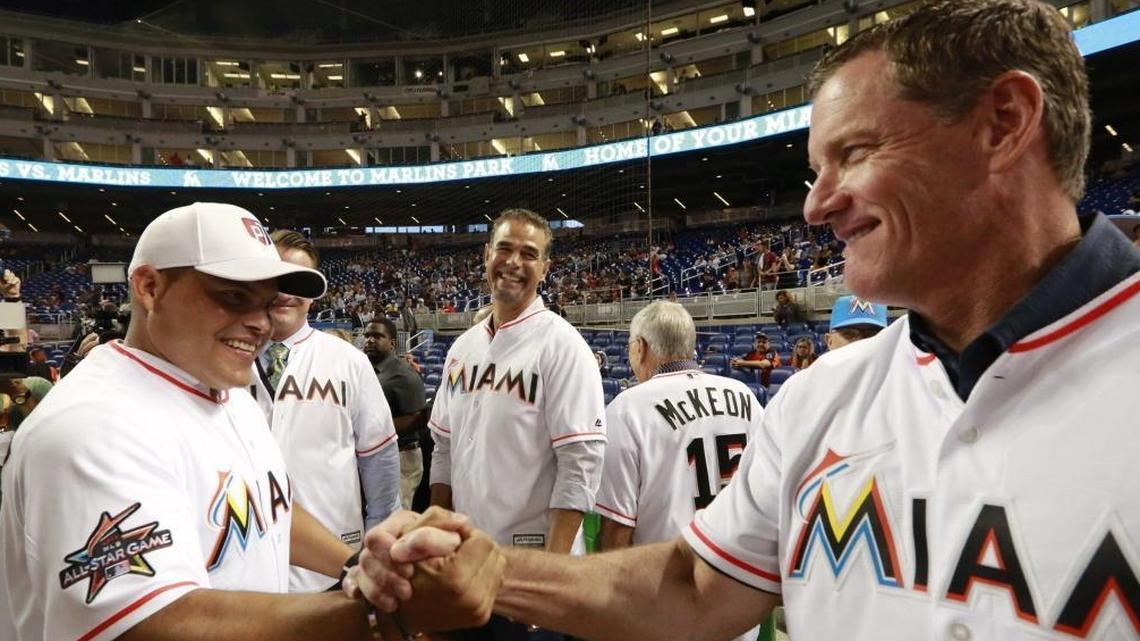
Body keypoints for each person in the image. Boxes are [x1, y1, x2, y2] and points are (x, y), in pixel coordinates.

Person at [351, 2, 1140, 639]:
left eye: (854, 153)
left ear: (1002, 121)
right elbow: (696, 588)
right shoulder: (821, 395)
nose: (817, 202)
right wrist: (493, 571)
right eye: (813, 169)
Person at [0, 202, 445, 641]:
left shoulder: (228, 393)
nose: (259, 323)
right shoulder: (91, 426)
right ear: (150, 287)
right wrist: (378, 615)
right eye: (232, 296)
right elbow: (150, 624)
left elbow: (270, 512)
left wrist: (355, 566)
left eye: (266, 302)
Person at [428, 208, 606, 640]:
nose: (513, 262)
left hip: (531, 573)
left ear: (545, 268)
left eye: (529, 253)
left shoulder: (563, 346)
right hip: (469, 565)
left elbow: (580, 461)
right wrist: (439, 535)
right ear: (486, 255)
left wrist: (551, 567)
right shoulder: (463, 348)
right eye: (504, 248)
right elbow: (444, 449)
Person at [595, 301, 764, 641]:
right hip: (738, 593)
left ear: (639, 348)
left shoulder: (628, 408)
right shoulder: (744, 396)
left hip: (666, 599)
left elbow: (616, 533)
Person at [250, 229, 400, 593]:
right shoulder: (220, 358)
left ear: (314, 294)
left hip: (334, 561)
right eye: (277, 278)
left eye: (299, 281)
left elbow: (379, 458)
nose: (286, 292)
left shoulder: (349, 360)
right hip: (244, 565)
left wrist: (376, 540)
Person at [363, 317, 428, 511]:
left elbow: (418, 417)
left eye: (377, 336)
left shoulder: (404, 373)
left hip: (403, 456)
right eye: (367, 336)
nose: (369, 340)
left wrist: (375, 431)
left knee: (395, 517)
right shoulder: (368, 370)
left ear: (392, 343)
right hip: (375, 454)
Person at [824, 294, 889, 351]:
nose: (862, 343)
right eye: (850, 335)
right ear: (829, 341)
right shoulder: (818, 365)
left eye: (873, 335)